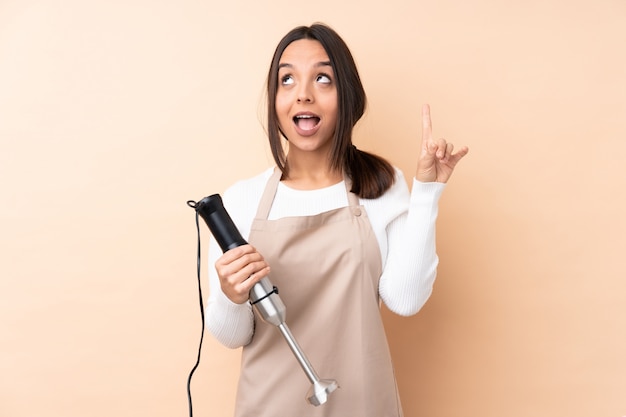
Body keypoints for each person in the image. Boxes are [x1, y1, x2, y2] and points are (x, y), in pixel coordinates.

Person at [205, 23, 468, 417]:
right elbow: (233, 335)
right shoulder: (240, 201)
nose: (303, 94)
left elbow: (405, 299)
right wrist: (231, 294)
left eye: (323, 79)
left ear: (346, 96)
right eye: (287, 79)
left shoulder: (382, 185)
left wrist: (426, 193)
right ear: (274, 99)